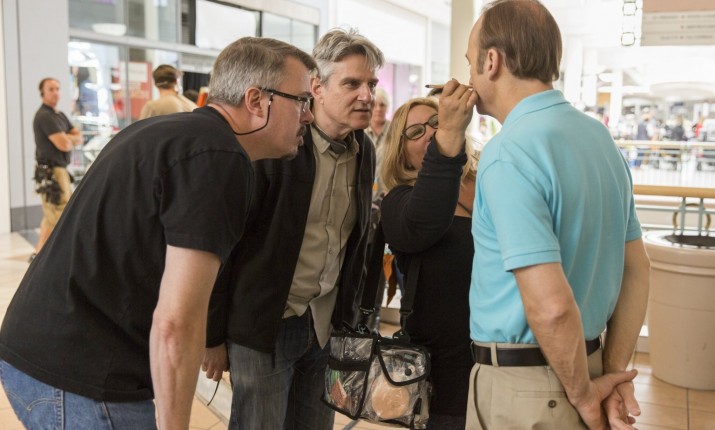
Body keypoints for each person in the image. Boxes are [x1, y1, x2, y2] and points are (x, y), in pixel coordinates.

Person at [0, 37, 317, 429]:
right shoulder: (220, 158)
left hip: (34, 352)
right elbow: (177, 323)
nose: (309, 116)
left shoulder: (166, 132)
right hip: (79, 376)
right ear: (256, 100)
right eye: (302, 100)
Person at [464, 1, 651, 429]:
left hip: (528, 389)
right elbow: (637, 269)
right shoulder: (600, 139)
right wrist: (610, 374)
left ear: (491, 61)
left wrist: (584, 395)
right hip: (586, 367)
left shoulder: (507, 153)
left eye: (470, 61)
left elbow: (551, 306)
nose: (469, 76)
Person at [202, 28, 384, 430]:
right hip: (265, 326)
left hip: (325, 326)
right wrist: (212, 336)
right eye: (352, 83)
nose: (366, 95)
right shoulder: (276, 143)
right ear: (316, 88)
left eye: (371, 84)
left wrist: (352, 321)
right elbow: (226, 244)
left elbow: (357, 245)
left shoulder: (364, 149)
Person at [379, 93, 477, 429]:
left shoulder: (487, 180)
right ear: (401, 152)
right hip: (444, 373)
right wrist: (446, 150)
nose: (431, 133)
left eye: (436, 122)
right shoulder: (400, 201)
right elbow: (424, 222)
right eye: (415, 132)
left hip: (503, 359)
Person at [30, 77, 83, 259]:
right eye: (51, 89)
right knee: (60, 214)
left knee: (52, 214)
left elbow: (77, 135)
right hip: (51, 172)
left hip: (61, 170)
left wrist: (70, 138)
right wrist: (69, 139)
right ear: (42, 92)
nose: (55, 92)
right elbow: (64, 144)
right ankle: (58, 257)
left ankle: (38, 254)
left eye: (58, 88)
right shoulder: (44, 116)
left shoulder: (58, 115)